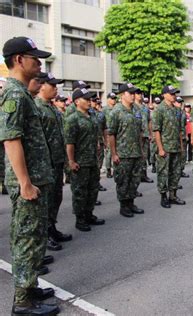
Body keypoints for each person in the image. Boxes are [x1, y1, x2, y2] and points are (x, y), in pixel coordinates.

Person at [0, 36, 59, 315]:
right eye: (34, 57)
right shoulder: (13, 94)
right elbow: (11, 140)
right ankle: (22, 302)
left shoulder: (22, 93)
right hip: (29, 182)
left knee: (35, 236)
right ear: (18, 60)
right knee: (26, 238)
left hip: (37, 178)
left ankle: (31, 286)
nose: (39, 62)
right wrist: (25, 183)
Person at [35, 73, 73, 252]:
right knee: (46, 201)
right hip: (45, 164)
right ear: (42, 86)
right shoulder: (37, 108)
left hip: (57, 161)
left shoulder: (52, 109)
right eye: (52, 85)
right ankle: (44, 235)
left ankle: (52, 228)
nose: (56, 88)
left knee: (56, 197)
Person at [65, 88, 106, 232]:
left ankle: (89, 214)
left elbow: (96, 135)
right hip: (80, 162)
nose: (90, 101)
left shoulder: (92, 116)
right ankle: (80, 218)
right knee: (80, 191)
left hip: (93, 160)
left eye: (90, 99)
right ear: (77, 101)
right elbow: (70, 143)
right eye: (86, 99)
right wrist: (71, 161)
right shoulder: (72, 119)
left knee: (92, 189)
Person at [108, 83, 145, 217]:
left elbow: (139, 131)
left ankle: (131, 202)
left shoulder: (136, 109)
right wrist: (113, 153)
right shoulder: (116, 112)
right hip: (123, 153)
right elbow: (111, 134)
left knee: (134, 180)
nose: (134, 95)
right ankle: (124, 206)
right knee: (123, 180)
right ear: (122, 95)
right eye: (131, 93)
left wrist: (141, 150)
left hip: (135, 151)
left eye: (134, 93)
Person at [152, 85, 186, 208]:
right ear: (164, 95)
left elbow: (179, 131)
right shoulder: (159, 109)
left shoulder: (177, 110)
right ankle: (163, 197)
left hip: (176, 146)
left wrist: (182, 147)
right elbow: (156, 131)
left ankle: (173, 195)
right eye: (171, 93)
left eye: (175, 93)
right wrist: (160, 148)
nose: (174, 95)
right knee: (163, 173)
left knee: (175, 172)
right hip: (165, 148)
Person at [103, 92, 117, 178]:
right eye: (112, 98)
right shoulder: (104, 110)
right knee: (108, 153)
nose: (113, 100)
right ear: (108, 99)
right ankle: (108, 169)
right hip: (108, 133)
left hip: (116, 133)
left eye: (114, 98)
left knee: (116, 151)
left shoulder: (117, 109)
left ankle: (115, 169)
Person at [175, 96, 189, 178]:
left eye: (181, 102)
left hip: (183, 136)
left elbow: (184, 126)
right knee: (176, 157)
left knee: (183, 155)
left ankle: (181, 170)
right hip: (175, 137)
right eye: (178, 102)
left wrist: (186, 134)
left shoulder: (183, 113)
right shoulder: (173, 112)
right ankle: (176, 172)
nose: (180, 104)